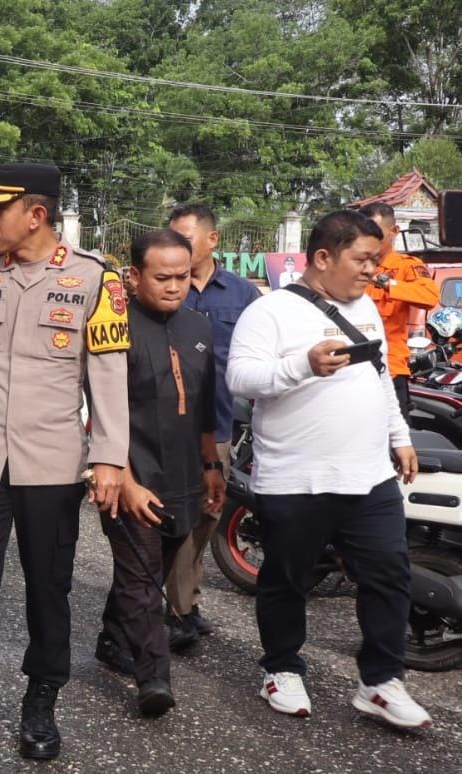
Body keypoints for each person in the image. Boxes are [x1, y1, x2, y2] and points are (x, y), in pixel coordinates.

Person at [0, 164, 130, 773]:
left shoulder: (95, 280)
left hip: (53, 462)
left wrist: (109, 457)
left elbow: (108, 376)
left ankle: (41, 704)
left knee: (49, 589)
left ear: (36, 215)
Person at [227, 210, 430, 730]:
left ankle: (380, 681)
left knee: (389, 575)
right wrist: (304, 365)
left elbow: (379, 377)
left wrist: (399, 437)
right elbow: (240, 377)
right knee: (287, 579)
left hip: (369, 476)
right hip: (296, 478)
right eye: (362, 259)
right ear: (322, 257)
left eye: (375, 260)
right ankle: (281, 669)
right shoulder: (270, 312)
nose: (371, 271)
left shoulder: (365, 307)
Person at [94, 230, 224, 717]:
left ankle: (112, 639)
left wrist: (211, 465)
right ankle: (153, 677)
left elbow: (205, 406)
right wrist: (124, 480)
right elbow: (97, 411)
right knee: (142, 578)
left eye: (183, 276)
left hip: (185, 476)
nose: (174, 286)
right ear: (134, 276)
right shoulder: (113, 327)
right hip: (130, 476)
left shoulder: (199, 326)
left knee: (151, 571)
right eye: (162, 277)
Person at [162, 203, 261, 650]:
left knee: (208, 515)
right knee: (176, 518)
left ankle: (185, 599)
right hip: (169, 425)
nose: (176, 248)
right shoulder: (164, 288)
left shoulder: (242, 295)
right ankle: (178, 609)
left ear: (212, 240)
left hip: (219, 424)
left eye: (184, 238)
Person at [359, 201, 439, 418]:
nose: (368, 239)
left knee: (395, 435)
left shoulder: (407, 266)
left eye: (375, 232)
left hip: (390, 370)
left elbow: (429, 296)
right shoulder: (350, 265)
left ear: (394, 231)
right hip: (351, 371)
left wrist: (385, 282)